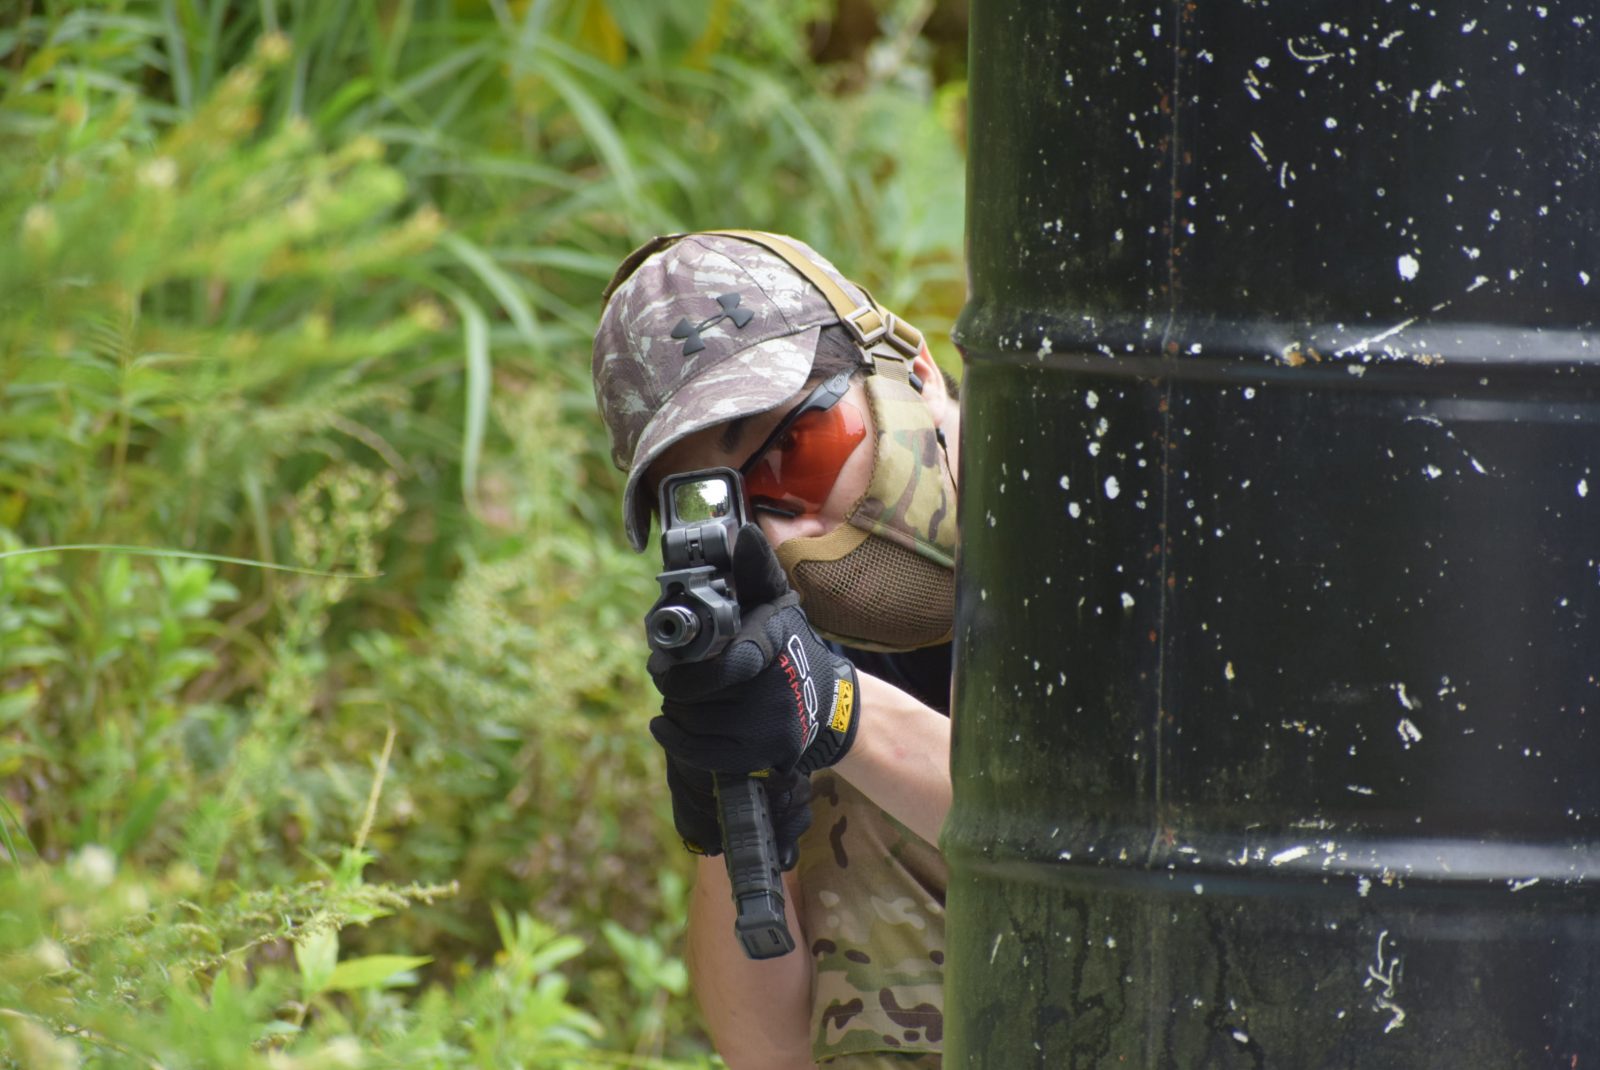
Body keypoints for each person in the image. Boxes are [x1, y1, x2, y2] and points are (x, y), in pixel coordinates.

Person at [591, 230, 960, 1068]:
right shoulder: (778, 631)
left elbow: (1147, 849)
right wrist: (733, 805)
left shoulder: (1106, 516)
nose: (782, 533)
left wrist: (845, 713)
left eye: (796, 454)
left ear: (912, 371)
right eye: (730, 508)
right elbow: (770, 1053)